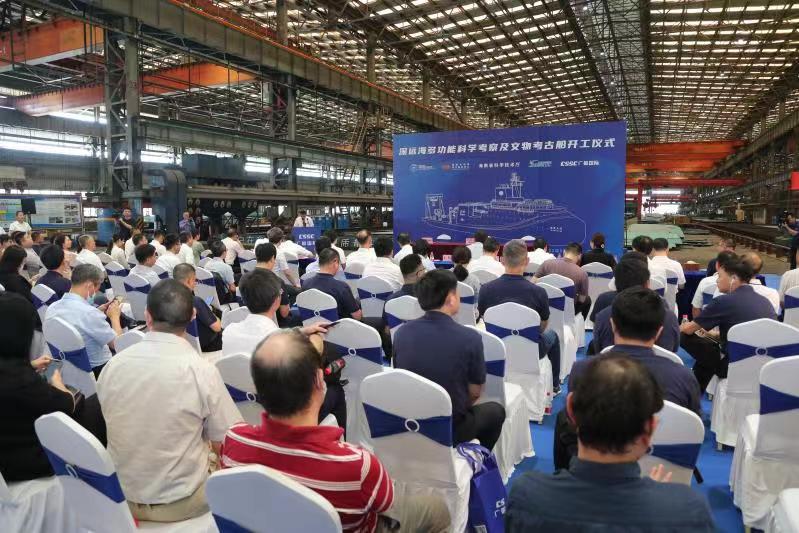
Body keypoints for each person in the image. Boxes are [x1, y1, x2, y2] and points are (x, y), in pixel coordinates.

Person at [220, 330, 451, 532]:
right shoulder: (357, 465)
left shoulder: (234, 441)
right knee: (438, 509)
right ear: (319, 381)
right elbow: (387, 506)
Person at [507, 354, 715, 532]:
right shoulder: (688, 511)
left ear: (570, 410)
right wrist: (663, 501)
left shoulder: (526, 495)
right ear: (650, 429)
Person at [96, 280, 241, 522]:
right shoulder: (200, 370)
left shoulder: (114, 364)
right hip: (181, 502)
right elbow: (225, 443)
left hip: (122, 496)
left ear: (147, 316)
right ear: (193, 316)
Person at [555, 288, 702, 470]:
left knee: (562, 419)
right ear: (659, 331)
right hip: (662, 471)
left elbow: (575, 423)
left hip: (594, 468)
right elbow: (692, 428)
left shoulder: (583, 370)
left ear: (613, 325)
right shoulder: (684, 377)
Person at [394, 270, 505, 449]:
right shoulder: (470, 338)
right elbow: (475, 392)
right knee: (496, 411)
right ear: (451, 298)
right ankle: (478, 458)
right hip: (449, 427)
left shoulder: (401, 332)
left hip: (410, 419)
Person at [0, 293, 87, 482]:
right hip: (29, 467)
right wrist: (56, 379)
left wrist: (30, 365)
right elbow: (67, 405)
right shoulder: (23, 384)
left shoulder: (14, 375)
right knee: (90, 406)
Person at [680, 257, 777, 391]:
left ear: (734, 278)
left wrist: (682, 326)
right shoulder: (764, 301)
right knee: (705, 361)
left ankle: (693, 393)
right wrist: (714, 335)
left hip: (733, 365)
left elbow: (688, 330)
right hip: (764, 363)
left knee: (685, 337)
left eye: (720, 276)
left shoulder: (724, 301)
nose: (717, 280)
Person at [477, 239, 562, 393]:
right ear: (526, 261)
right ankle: (555, 386)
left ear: (502, 260)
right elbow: (542, 327)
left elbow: (484, 318)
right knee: (553, 336)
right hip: (532, 350)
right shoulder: (539, 292)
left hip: (497, 348)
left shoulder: (485, 290)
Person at [223, 268, 328, 357]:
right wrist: (317, 337)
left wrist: (303, 331)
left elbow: (276, 333)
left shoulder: (229, 331)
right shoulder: (281, 344)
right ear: (277, 299)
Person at [591, 257, 680, 354]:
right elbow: (673, 350)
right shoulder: (669, 317)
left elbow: (598, 349)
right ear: (648, 284)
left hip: (610, 363)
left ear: (615, 284)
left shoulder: (603, 316)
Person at [46, 264, 122, 376]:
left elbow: (77, 318)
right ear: (90, 286)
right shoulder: (89, 313)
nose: (96, 292)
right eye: (97, 288)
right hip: (100, 370)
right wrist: (115, 317)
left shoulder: (52, 308)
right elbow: (118, 344)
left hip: (67, 368)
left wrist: (97, 311)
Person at [301, 248, 362, 320]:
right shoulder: (342, 287)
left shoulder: (306, 284)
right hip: (339, 326)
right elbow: (357, 316)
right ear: (335, 262)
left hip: (314, 324)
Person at [535, 242, 591, 318]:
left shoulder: (546, 264)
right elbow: (582, 299)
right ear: (579, 256)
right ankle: (576, 322)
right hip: (568, 312)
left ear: (564, 252)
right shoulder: (582, 273)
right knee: (587, 300)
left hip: (546, 308)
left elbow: (533, 283)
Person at [174, 263, 222, 352]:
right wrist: (215, 317)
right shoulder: (196, 301)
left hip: (187, 345)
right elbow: (217, 327)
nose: (195, 283)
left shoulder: (169, 300)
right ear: (188, 281)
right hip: (209, 345)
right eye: (194, 280)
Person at [255, 242, 292, 323]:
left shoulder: (243, 279)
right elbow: (284, 313)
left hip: (252, 322)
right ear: (272, 258)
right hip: (274, 323)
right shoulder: (277, 282)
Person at [692, 251, 736, 318]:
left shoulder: (706, 282)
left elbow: (696, 308)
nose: (717, 281)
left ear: (717, 265)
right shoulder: (743, 285)